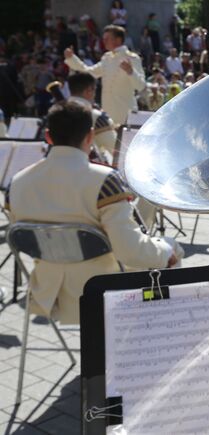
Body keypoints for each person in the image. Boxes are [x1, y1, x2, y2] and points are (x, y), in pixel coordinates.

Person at [6, 102, 181, 324]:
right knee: (170, 249)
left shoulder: (17, 183)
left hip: (49, 295)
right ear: (90, 136)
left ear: (48, 137)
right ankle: (156, 336)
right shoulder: (104, 180)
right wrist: (166, 251)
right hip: (105, 293)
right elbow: (130, 252)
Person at [64, 25, 145, 125]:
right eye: (103, 38)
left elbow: (141, 86)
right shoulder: (107, 58)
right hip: (108, 114)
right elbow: (89, 71)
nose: (104, 41)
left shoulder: (133, 58)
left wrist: (130, 71)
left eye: (107, 39)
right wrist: (72, 58)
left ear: (118, 40)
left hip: (126, 113)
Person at [66, 72, 118, 159]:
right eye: (94, 90)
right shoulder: (97, 116)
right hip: (87, 168)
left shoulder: (55, 113)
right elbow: (116, 150)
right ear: (89, 90)